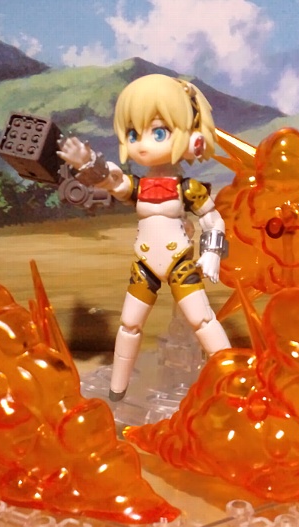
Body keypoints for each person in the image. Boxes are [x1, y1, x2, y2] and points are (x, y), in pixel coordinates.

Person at [57, 74, 230, 401]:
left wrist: (211, 253)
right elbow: (114, 182)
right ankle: (117, 391)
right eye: (134, 134)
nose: (142, 144)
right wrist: (89, 165)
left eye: (159, 132)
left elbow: (212, 219)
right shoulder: (138, 185)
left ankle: (235, 382)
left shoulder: (188, 188)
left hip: (180, 264)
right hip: (145, 265)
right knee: (129, 326)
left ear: (193, 140)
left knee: (203, 321)